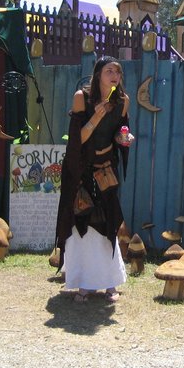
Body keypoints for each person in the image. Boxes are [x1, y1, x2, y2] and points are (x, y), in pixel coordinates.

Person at [54, 56, 134, 303]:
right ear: (98, 74)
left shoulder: (123, 101)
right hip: (81, 171)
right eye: (110, 71)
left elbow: (119, 133)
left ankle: (110, 283)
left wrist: (124, 139)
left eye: (118, 72)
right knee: (83, 222)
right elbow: (77, 140)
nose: (115, 76)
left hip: (106, 169)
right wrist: (96, 117)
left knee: (108, 222)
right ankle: (84, 284)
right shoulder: (82, 97)